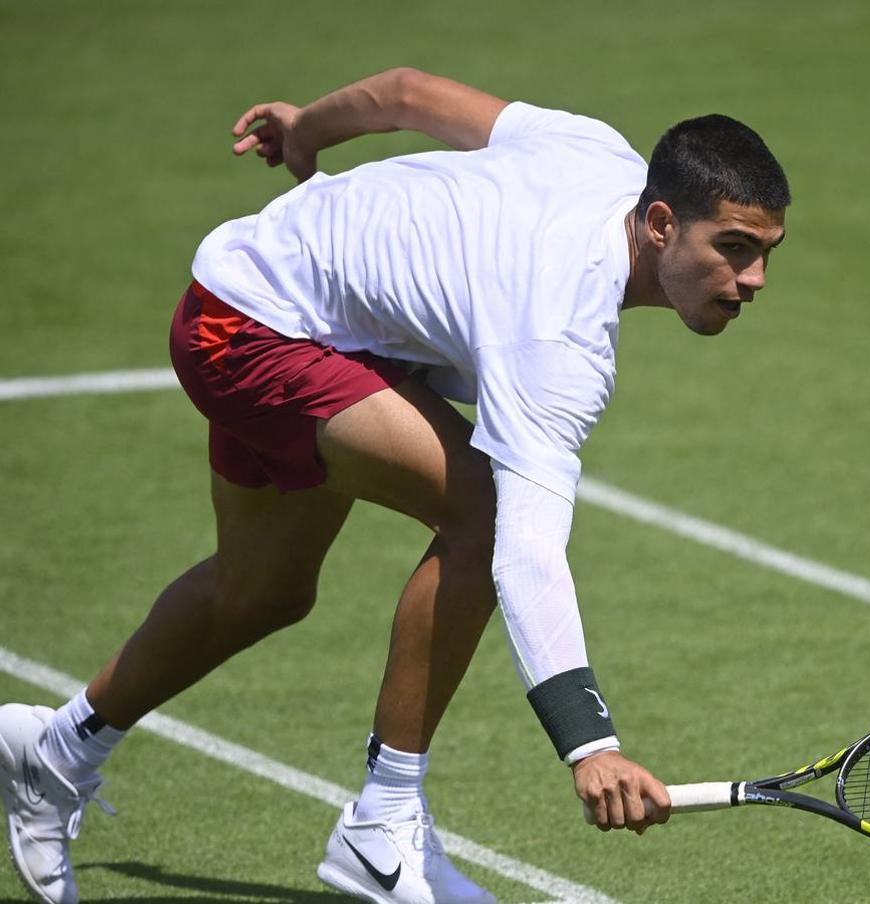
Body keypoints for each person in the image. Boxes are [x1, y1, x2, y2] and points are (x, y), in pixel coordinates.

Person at [0, 67, 789, 904]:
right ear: (661, 222)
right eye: (732, 248)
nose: (753, 281)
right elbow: (525, 555)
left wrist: (309, 128)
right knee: (481, 515)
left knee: (260, 590)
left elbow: (409, 92)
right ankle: (382, 824)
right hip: (255, 328)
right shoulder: (558, 337)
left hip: (280, 295)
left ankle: (51, 753)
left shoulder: (598, 154)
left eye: (766, 253)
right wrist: (589, 745)